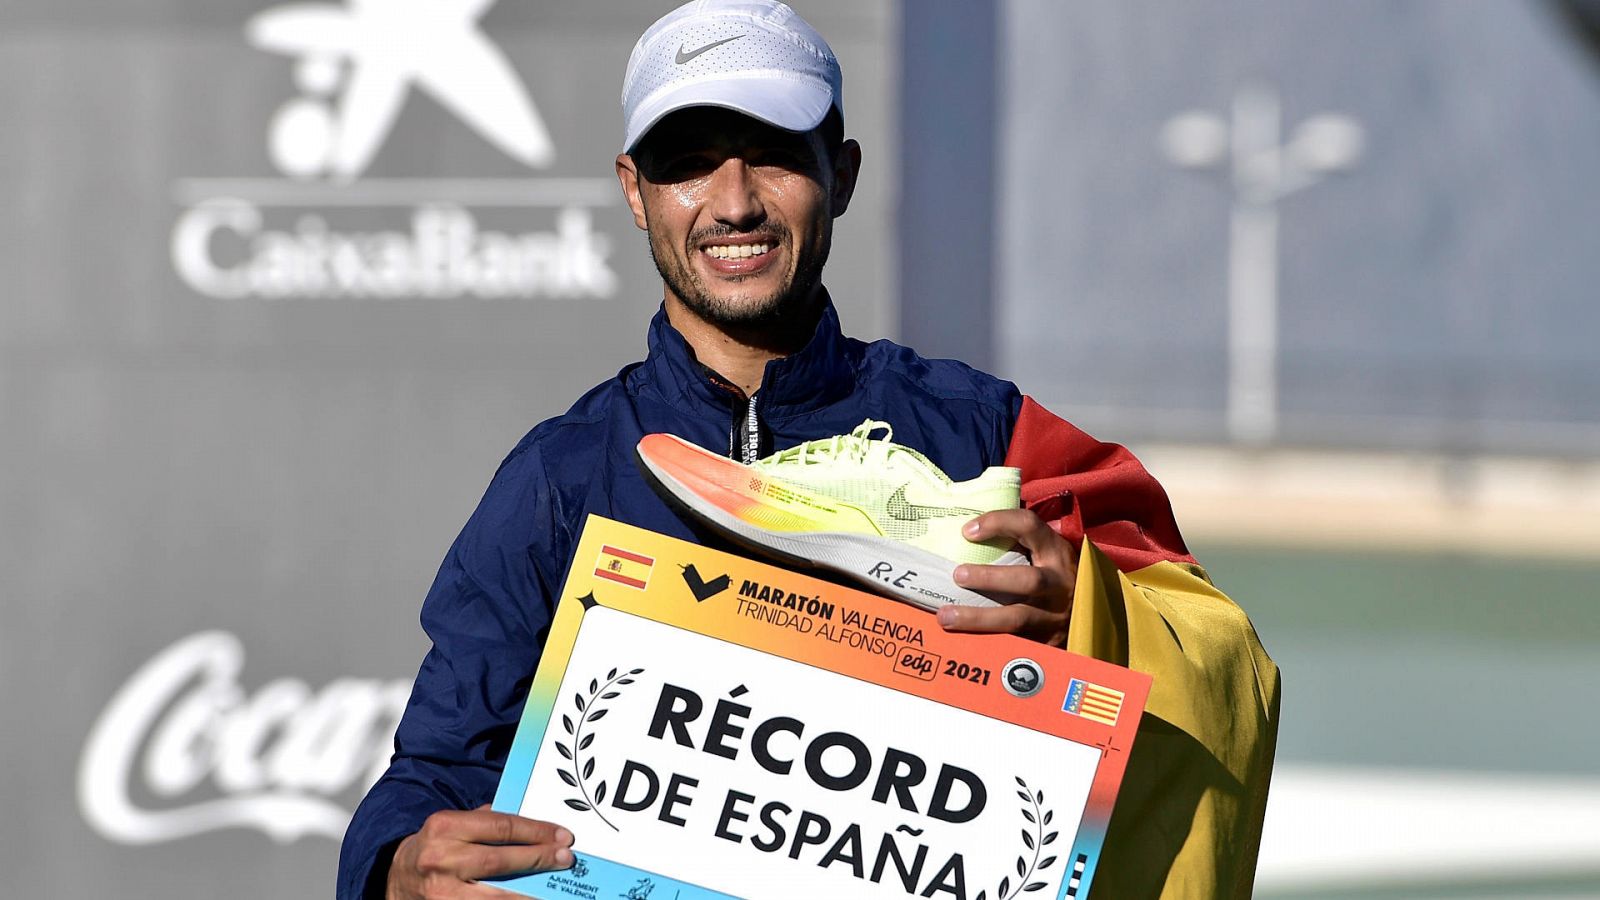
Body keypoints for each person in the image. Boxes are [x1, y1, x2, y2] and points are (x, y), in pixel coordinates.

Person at [338, 2, 1280, 898]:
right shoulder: (562, 475)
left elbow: (1229, 663)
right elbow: (435, 773)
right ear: (636, 192)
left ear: (843, 170)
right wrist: (398, 867)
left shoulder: (990, 435)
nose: (735, 202)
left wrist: (1089, 614)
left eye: (776, 157)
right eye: (691, 163)